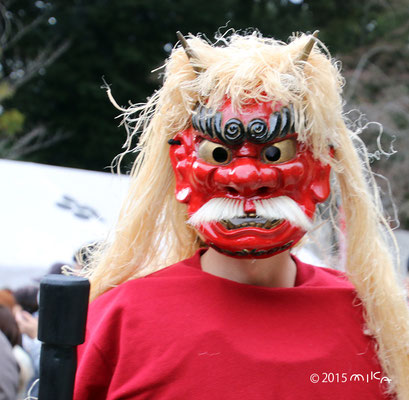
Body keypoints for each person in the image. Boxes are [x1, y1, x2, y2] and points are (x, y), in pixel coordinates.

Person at [73, 31, 409, 399]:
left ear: (320, 168)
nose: (246, 178)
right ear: (182, 168)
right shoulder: (117, 320)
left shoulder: (376, 324)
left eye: (275, 153)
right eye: (219, 154)